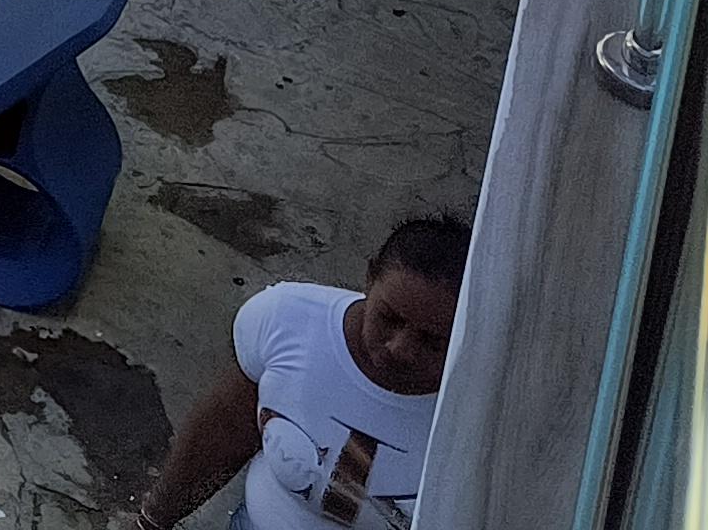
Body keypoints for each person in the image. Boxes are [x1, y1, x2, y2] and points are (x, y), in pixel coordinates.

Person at [130, 214, 469, 528]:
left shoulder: (485, 410)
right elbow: (225, 431)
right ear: (369, 278)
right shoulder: (285, 320)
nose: (400, 349)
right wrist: (155, 519)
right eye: (388, 318)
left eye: (433, 341)